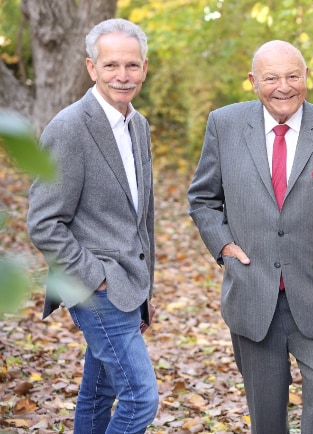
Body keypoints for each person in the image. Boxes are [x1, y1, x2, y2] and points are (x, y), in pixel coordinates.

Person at [187, 40, 313, 433]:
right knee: (266, 411)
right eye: (271, 78)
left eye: (293, 76)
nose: (283, 86)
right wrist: (222, 245)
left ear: (307, 78)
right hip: (253, 292)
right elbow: (203, 198)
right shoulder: (225, 124)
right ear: (254, 81)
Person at [26, 18, 158, 434]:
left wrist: (142, 289)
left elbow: (141, 216)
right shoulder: (69, 127)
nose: (123, 75)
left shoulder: (138, 125)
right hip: (97, 287)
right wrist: (96, 278)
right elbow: (44, 222)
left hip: (129, 284)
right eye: (111, 65)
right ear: (91, 67)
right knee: (141, 399)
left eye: (132, 65)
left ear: (145, 67)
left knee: (99, 393)